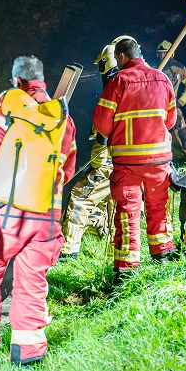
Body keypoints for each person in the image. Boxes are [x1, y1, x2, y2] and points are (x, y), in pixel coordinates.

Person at [0, 55, 77, 369]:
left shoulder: (8, 105)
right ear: (42, 81)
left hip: (3, 214)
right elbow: (68, 167)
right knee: (32, 285)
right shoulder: (61, 115)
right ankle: (28, 357)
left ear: (16, 81)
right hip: (45, 218)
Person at [93, 37, 177, 274]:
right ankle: (163, 254)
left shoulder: (118, 81)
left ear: (121, 57)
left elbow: (101, 124)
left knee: (128, 213)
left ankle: (128, 268)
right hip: (159, 159)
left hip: (127, 162)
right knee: (158, 206)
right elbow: (170, 120)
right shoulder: (163, 79)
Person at [58, 39, 125, 261]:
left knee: (79, 197)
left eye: (101, 64)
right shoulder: (123, 84)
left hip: (111, 158)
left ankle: (68, 252)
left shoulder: (115, 86)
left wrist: (101, 155)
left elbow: (108, 126)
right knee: (110, 201)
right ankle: (108, 246)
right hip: (124, 158)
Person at [156, 39, 186, 161]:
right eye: (160, 53)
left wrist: (180, 103)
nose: (162, 55)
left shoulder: (179, 68)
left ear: (171, 53)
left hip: (172, 107)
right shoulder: (155, 68)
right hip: (157, 108)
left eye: (164, 53)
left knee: (181, 129)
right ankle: (160, 159)